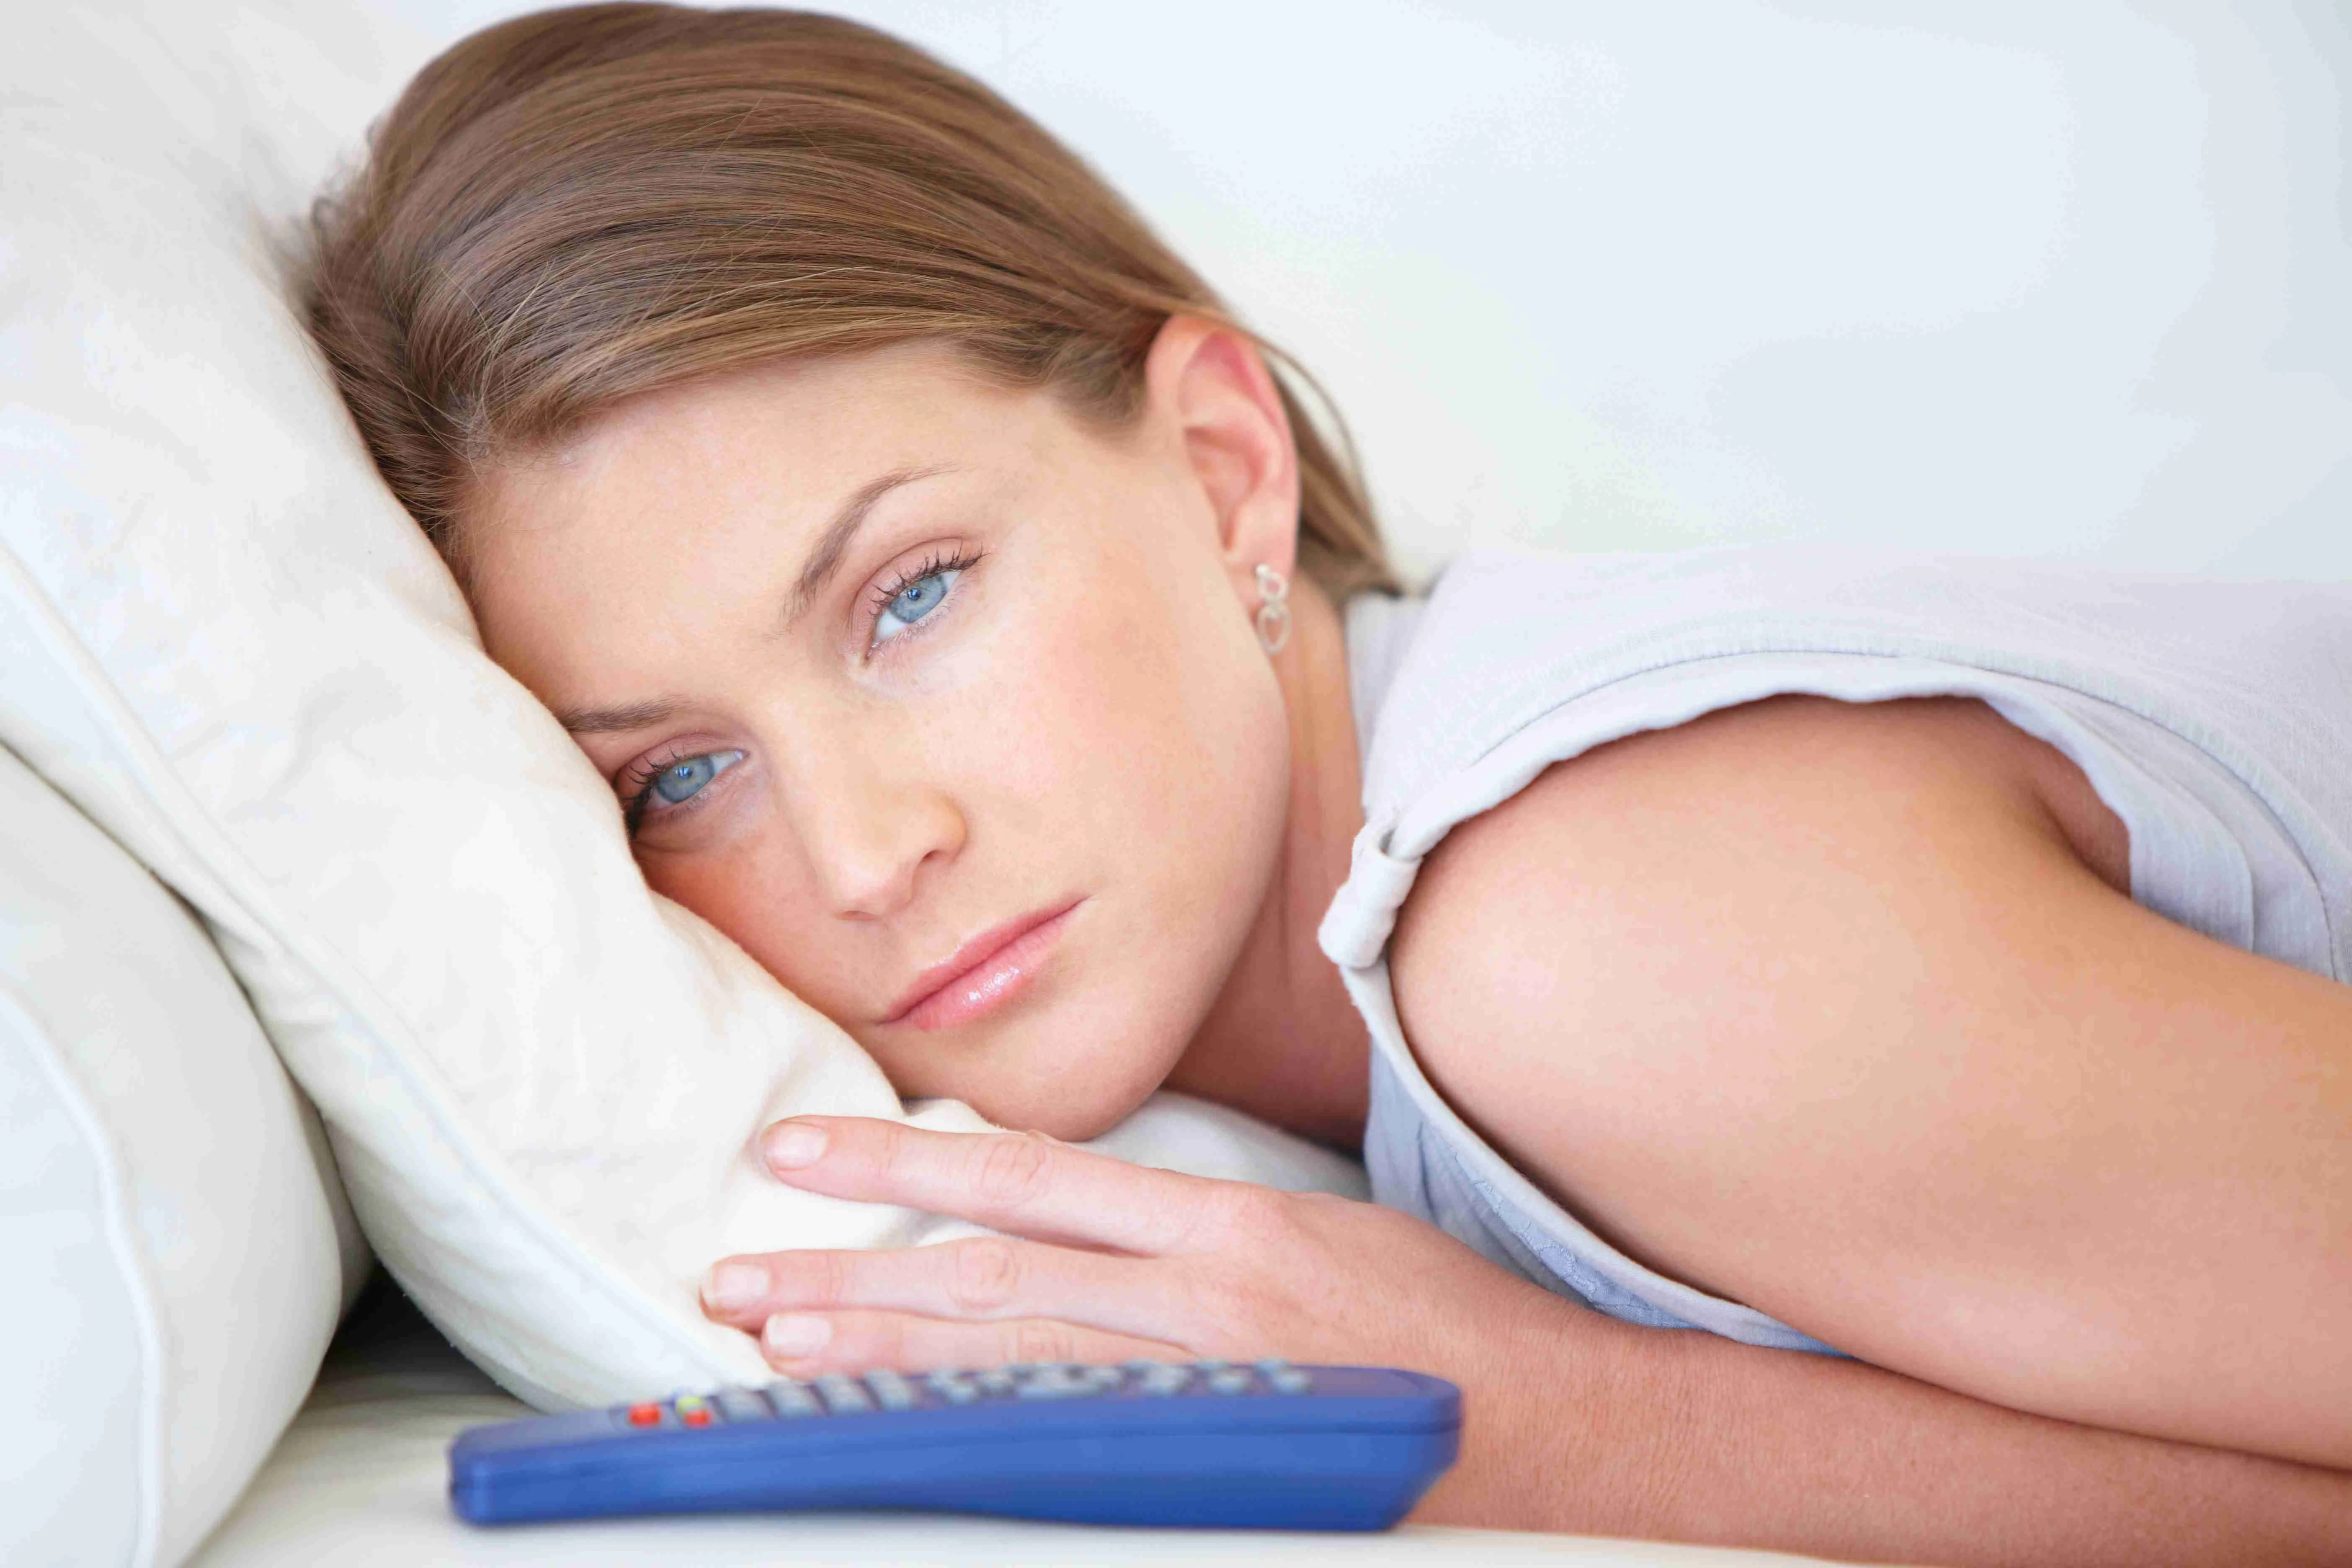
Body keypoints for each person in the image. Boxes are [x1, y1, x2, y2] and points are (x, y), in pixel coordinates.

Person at [304, 5, 2352, 1561]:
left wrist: (1562, 1425)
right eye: (675, 781)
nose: (862, 850)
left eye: (914, 595)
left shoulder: (1594, 937)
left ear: (1221, 466)